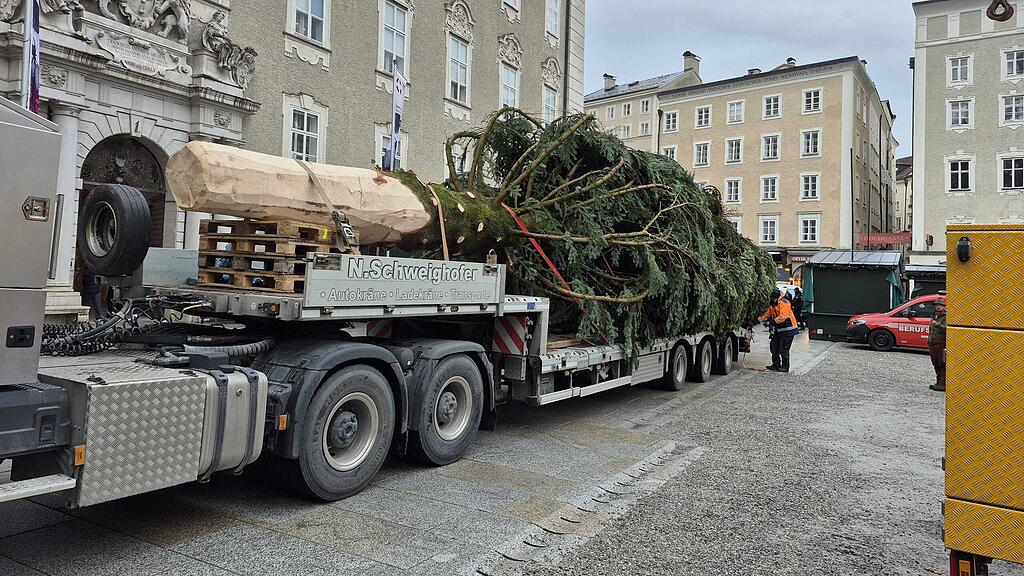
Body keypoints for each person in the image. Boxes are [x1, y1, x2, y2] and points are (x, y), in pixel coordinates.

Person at [758, 288, 800, 372]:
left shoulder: (784, 303)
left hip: (788, 331)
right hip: (779, 330)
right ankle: (776, 364)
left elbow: (782, 317)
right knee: (774, 346)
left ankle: (785, 367)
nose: (772, 300)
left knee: (783, 348)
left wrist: (771, 323)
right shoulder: (773, 304)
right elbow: (767, 314)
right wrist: (757, 320)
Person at [928, 296, 947, 392]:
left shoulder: (946, 317)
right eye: (937, 305)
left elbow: (948, 329)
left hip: (941, 343)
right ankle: (938, 382)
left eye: (940, 305)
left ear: (944, 307)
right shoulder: (933, 316)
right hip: (932, 343)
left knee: (942, 364)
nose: (938, 307)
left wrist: (938, 325)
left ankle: (943, 384)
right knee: (935, 363)